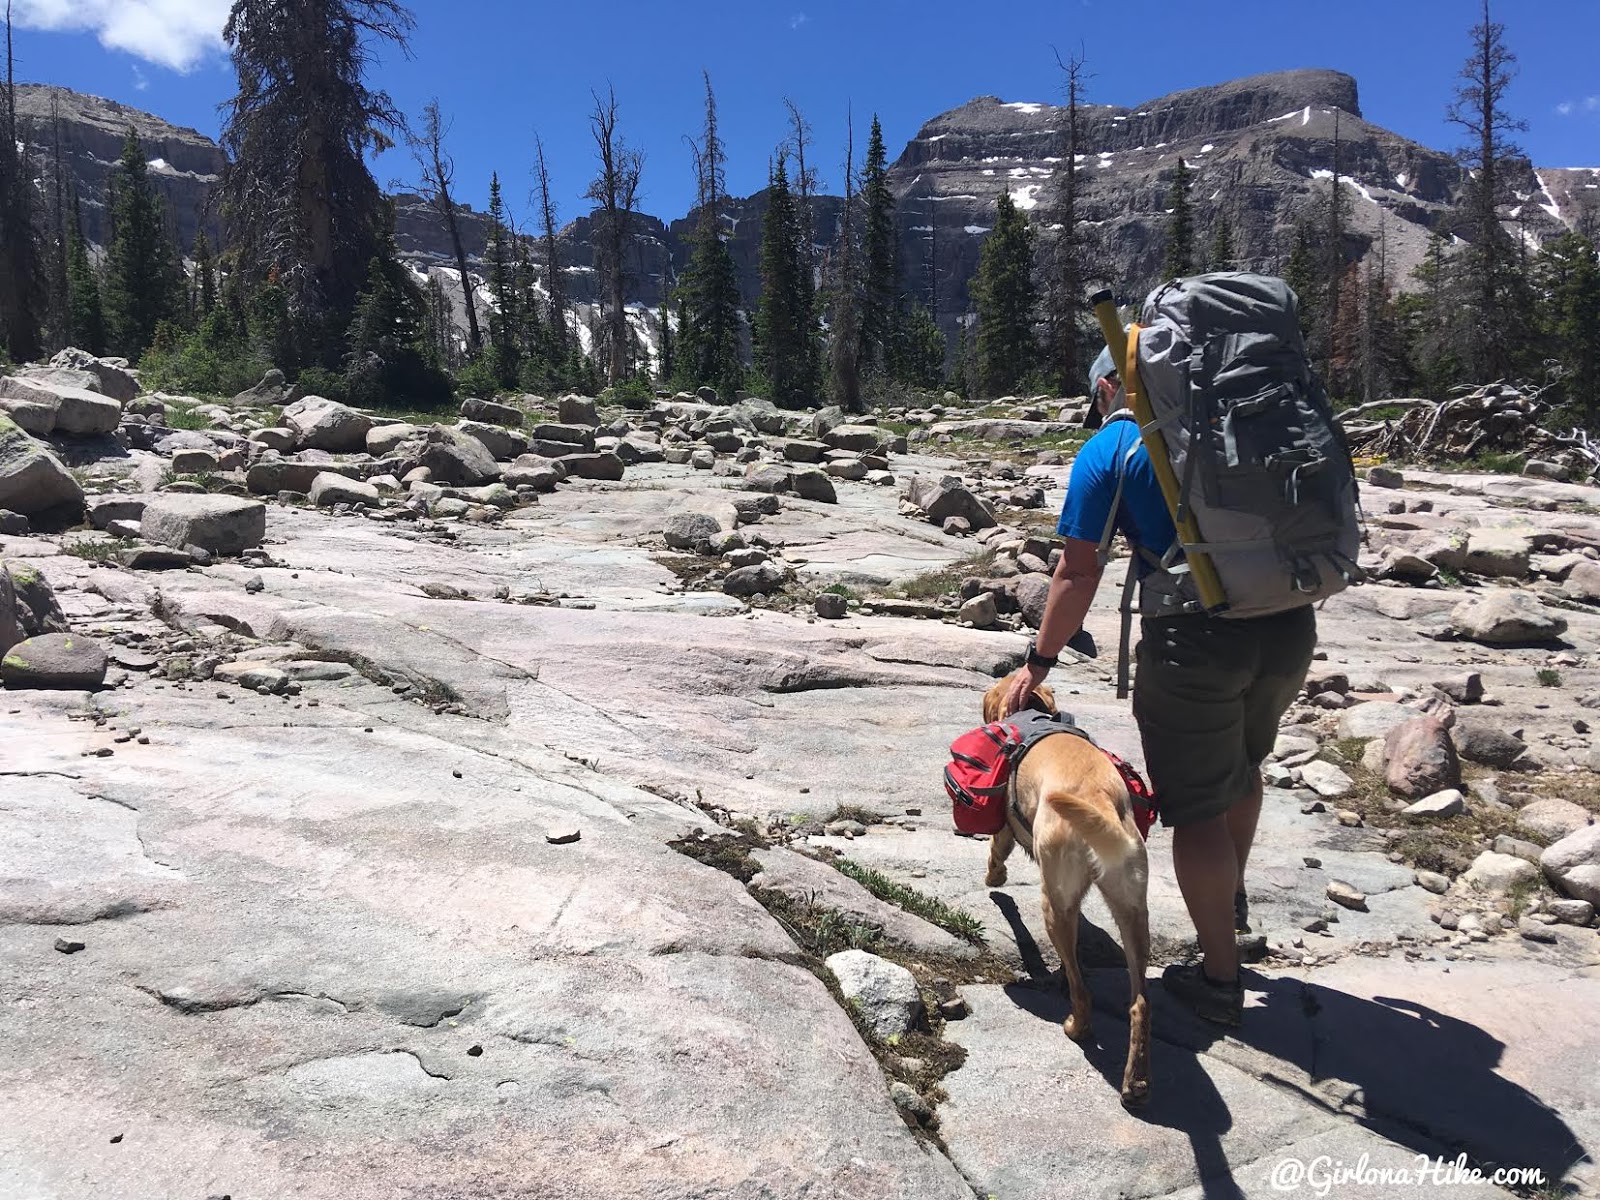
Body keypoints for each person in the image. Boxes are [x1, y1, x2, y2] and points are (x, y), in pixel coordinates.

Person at [1001, 344, 1316, 1026]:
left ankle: (1219, 977)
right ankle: (1227, 903)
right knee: (1242, 767)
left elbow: (1078, 573)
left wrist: (1040, 662)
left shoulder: (1114, 446)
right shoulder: (1236, 422)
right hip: (1287, 624)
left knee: (1196, 803)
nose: (1097, 409)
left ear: (1111, 385)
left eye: (1096, 398)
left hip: (1197, 638)